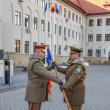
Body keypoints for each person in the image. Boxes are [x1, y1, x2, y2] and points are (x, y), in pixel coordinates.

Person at [25, 45, 63, 110]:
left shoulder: (36, 61)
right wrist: (58, 80)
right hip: (35, 92)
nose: (44, 54)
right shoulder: (35, 62)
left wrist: (51, 67)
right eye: (43, 52)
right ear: (39, 52)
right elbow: (45, 73)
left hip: (36, 92)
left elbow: (42, 70)